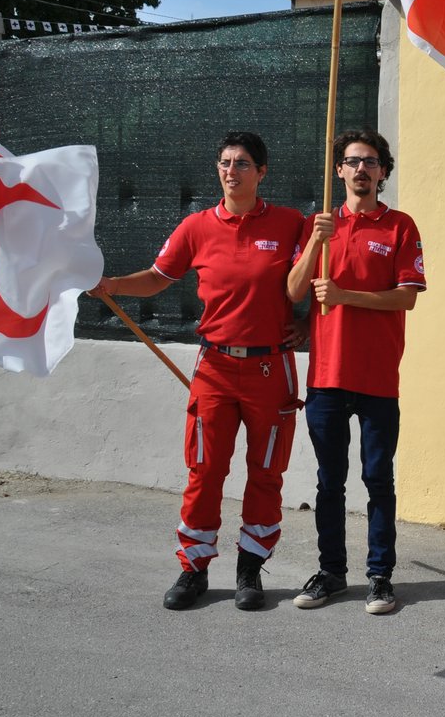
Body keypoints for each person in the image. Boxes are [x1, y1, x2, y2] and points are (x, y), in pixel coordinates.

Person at [91, 131, 305, 612]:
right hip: (215, 366)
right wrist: (111, 284)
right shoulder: (196, 227)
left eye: (244, 163)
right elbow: (157, 278)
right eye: (226, 162)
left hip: (272, 368)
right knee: (204, 470)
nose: (233, 171)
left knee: (266, 472)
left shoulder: (293, 224)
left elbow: (315, 277)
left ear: (262, 172)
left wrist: (306, 323)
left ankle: (250, 569)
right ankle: (194, 569)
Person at [285, 131, 424, 616]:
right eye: (351, 161)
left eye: (370, 162)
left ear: (384, 171)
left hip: (378, 377)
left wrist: (345, 297)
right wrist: (314, 244)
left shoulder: (400, 227)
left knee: (378, 479)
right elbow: (295, 289)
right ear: (339, 170)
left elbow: (406, 297)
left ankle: (380, 577)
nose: (361, 169)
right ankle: (331, 573)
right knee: (329, 482)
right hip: (326, 375)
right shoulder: (318, 224)